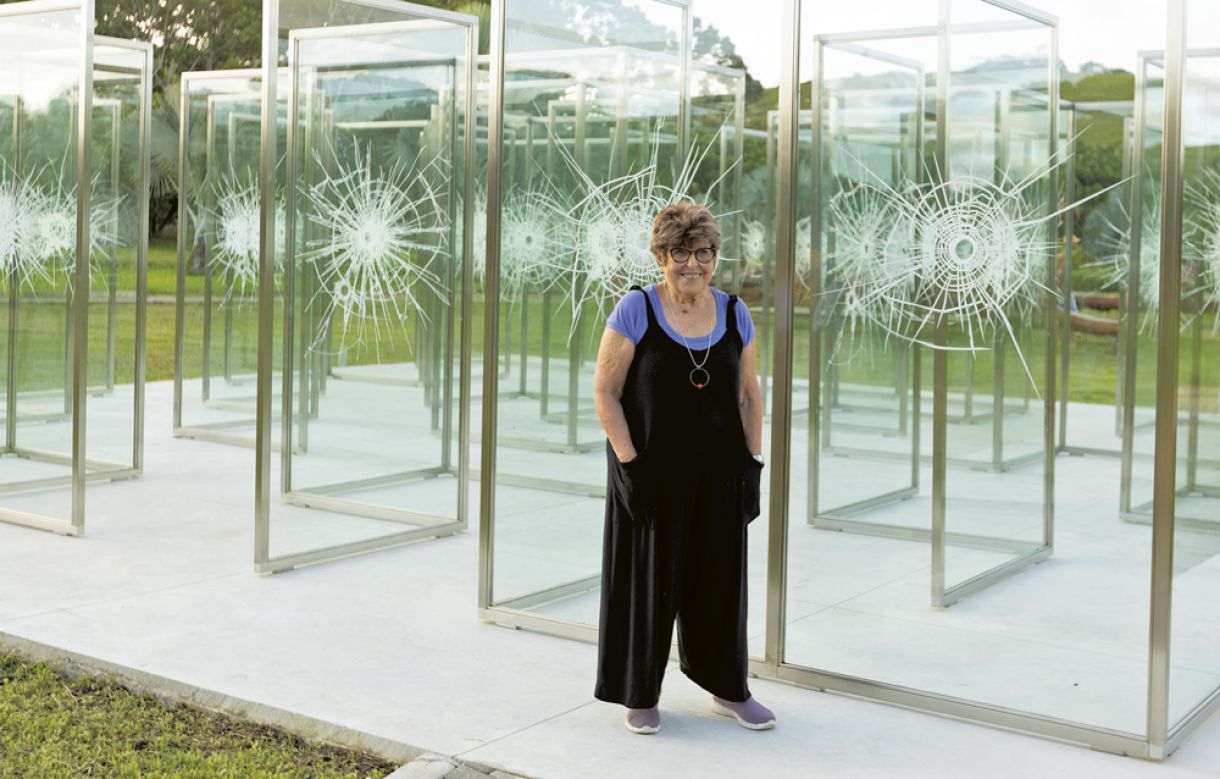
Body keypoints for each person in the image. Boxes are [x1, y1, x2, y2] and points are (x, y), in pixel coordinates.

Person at [591, 201, 775, 735]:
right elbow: (605, 391)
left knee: (719, 583)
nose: (691, 264)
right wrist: (631, 464)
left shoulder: (735, 311)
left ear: (715, 256)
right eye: (679, 253)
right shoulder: (635, 311)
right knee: (647, 583)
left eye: (703, 253)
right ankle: (640, 692)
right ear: (659, 255)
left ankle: (728, 689)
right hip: (651, 470)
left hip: (720, 471)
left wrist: (753, 460)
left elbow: (747, 393)